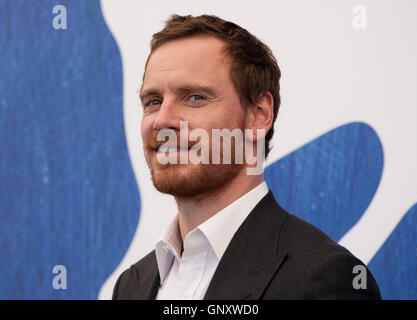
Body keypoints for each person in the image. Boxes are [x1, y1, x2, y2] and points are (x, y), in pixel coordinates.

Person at [112, 14, 381, 300]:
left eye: (194, 97)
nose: (162, 120)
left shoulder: (326, 278)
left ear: (259, 115)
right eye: (153, 101)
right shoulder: (131, 286)